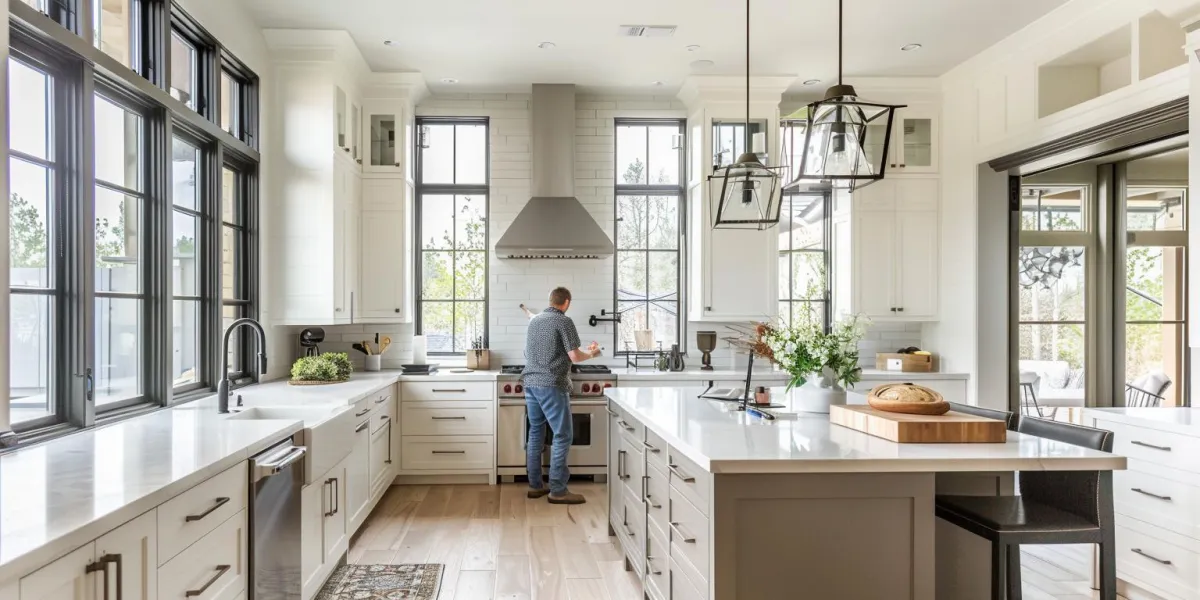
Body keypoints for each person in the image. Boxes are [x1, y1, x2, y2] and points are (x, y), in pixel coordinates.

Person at [521, 287, 601, 504]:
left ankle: (535, 485)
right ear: (566, 302)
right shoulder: (564, 321)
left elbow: (530, 353)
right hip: (551, 384)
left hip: (530, 382)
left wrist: (582, 351)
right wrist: (593, 352)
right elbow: (575, 356)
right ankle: (558, 490)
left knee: (536, 432)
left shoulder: (535, 321)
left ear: (550, 300)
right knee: (563, 434)